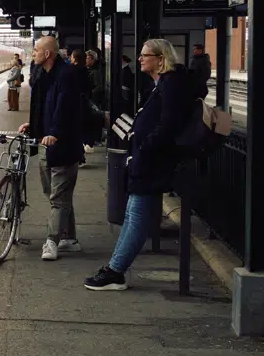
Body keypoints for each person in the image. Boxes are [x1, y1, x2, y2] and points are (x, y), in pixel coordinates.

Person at [85, 40, 208, 290]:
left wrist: (144, 148)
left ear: (161, 59)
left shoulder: (171, 84)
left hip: (153, 161)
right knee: (134, 215)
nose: (139, 59)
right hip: (149, 159)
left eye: (145, 55)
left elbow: (168, 125)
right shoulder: (164, 83)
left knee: (137, 217)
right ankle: (114, 269)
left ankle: (115, 272)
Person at [19, 35, 84, 260]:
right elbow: (42, 107)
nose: (33, 53)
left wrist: (55, 132)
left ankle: (51, 241)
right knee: (56, 195)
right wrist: (34, 125)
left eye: (36, 50)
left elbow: (66, 108)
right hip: (45, 143)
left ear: (47, 54)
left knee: (58, 197)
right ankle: (70, 239)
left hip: (64, 145)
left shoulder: (67, 75)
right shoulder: (42, 75)